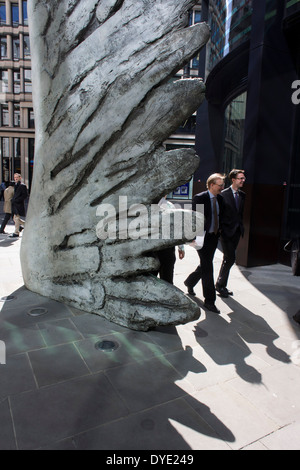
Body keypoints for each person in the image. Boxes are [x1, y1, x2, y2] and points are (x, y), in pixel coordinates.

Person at [184, 173, 225, 313]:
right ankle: (209, 301)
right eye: (220, 185)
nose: (222, 187)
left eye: (223, 185)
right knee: (208, 268)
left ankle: (189, 282)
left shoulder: (220, 199)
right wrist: (194, 238)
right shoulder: (200, 198)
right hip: (201, 239)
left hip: (214, 237)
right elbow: (196, 220)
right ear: (211, 185)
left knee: (205, 264)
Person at [216, 169, 246, 297]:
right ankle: (220, 284)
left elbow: (239, 214)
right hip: (226, 232)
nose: (243, 180)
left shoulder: (242, 195)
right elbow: (219, 214)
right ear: (233, 179)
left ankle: (222, 285)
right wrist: (221, 229)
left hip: (236, 231)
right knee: (230, 258)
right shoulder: (223, 194)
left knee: (227, 259)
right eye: (240, 178)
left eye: (243, 178)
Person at [153, 196, 185, 284]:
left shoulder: (144, 205)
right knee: (167, 279)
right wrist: (181, 247)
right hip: (166, 248)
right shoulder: (169, 206)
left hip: (150, 249)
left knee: (150, 281)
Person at [9, 173, 28, 238]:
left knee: (16, 218)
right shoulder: (15, 185)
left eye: (17, 177)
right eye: (15, 177)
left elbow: (25, 195)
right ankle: (26, 225)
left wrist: (18, 200)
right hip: (14, 204)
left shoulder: (22, 186)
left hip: (19, 204)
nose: (16, 178)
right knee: (15, 218)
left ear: (20, 177)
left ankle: (16, 232)